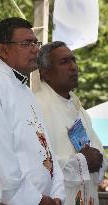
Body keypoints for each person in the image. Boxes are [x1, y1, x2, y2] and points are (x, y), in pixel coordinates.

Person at [0, 18, 65, 205]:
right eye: (26, 44)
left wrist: (57, 194)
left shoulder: (24, 89)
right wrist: (35, 200)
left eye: (35, 43)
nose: (36, 49)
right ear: (3, 50)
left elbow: (47, 148)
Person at [35, 41, 105, 205]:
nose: (73, 67)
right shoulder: (35, 107)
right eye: (64, 62)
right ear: (45, 73)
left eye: (73, 60)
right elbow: (34, 163)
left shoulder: (78, 109)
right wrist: (81, 162)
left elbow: (97, 151)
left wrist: (97, 158)